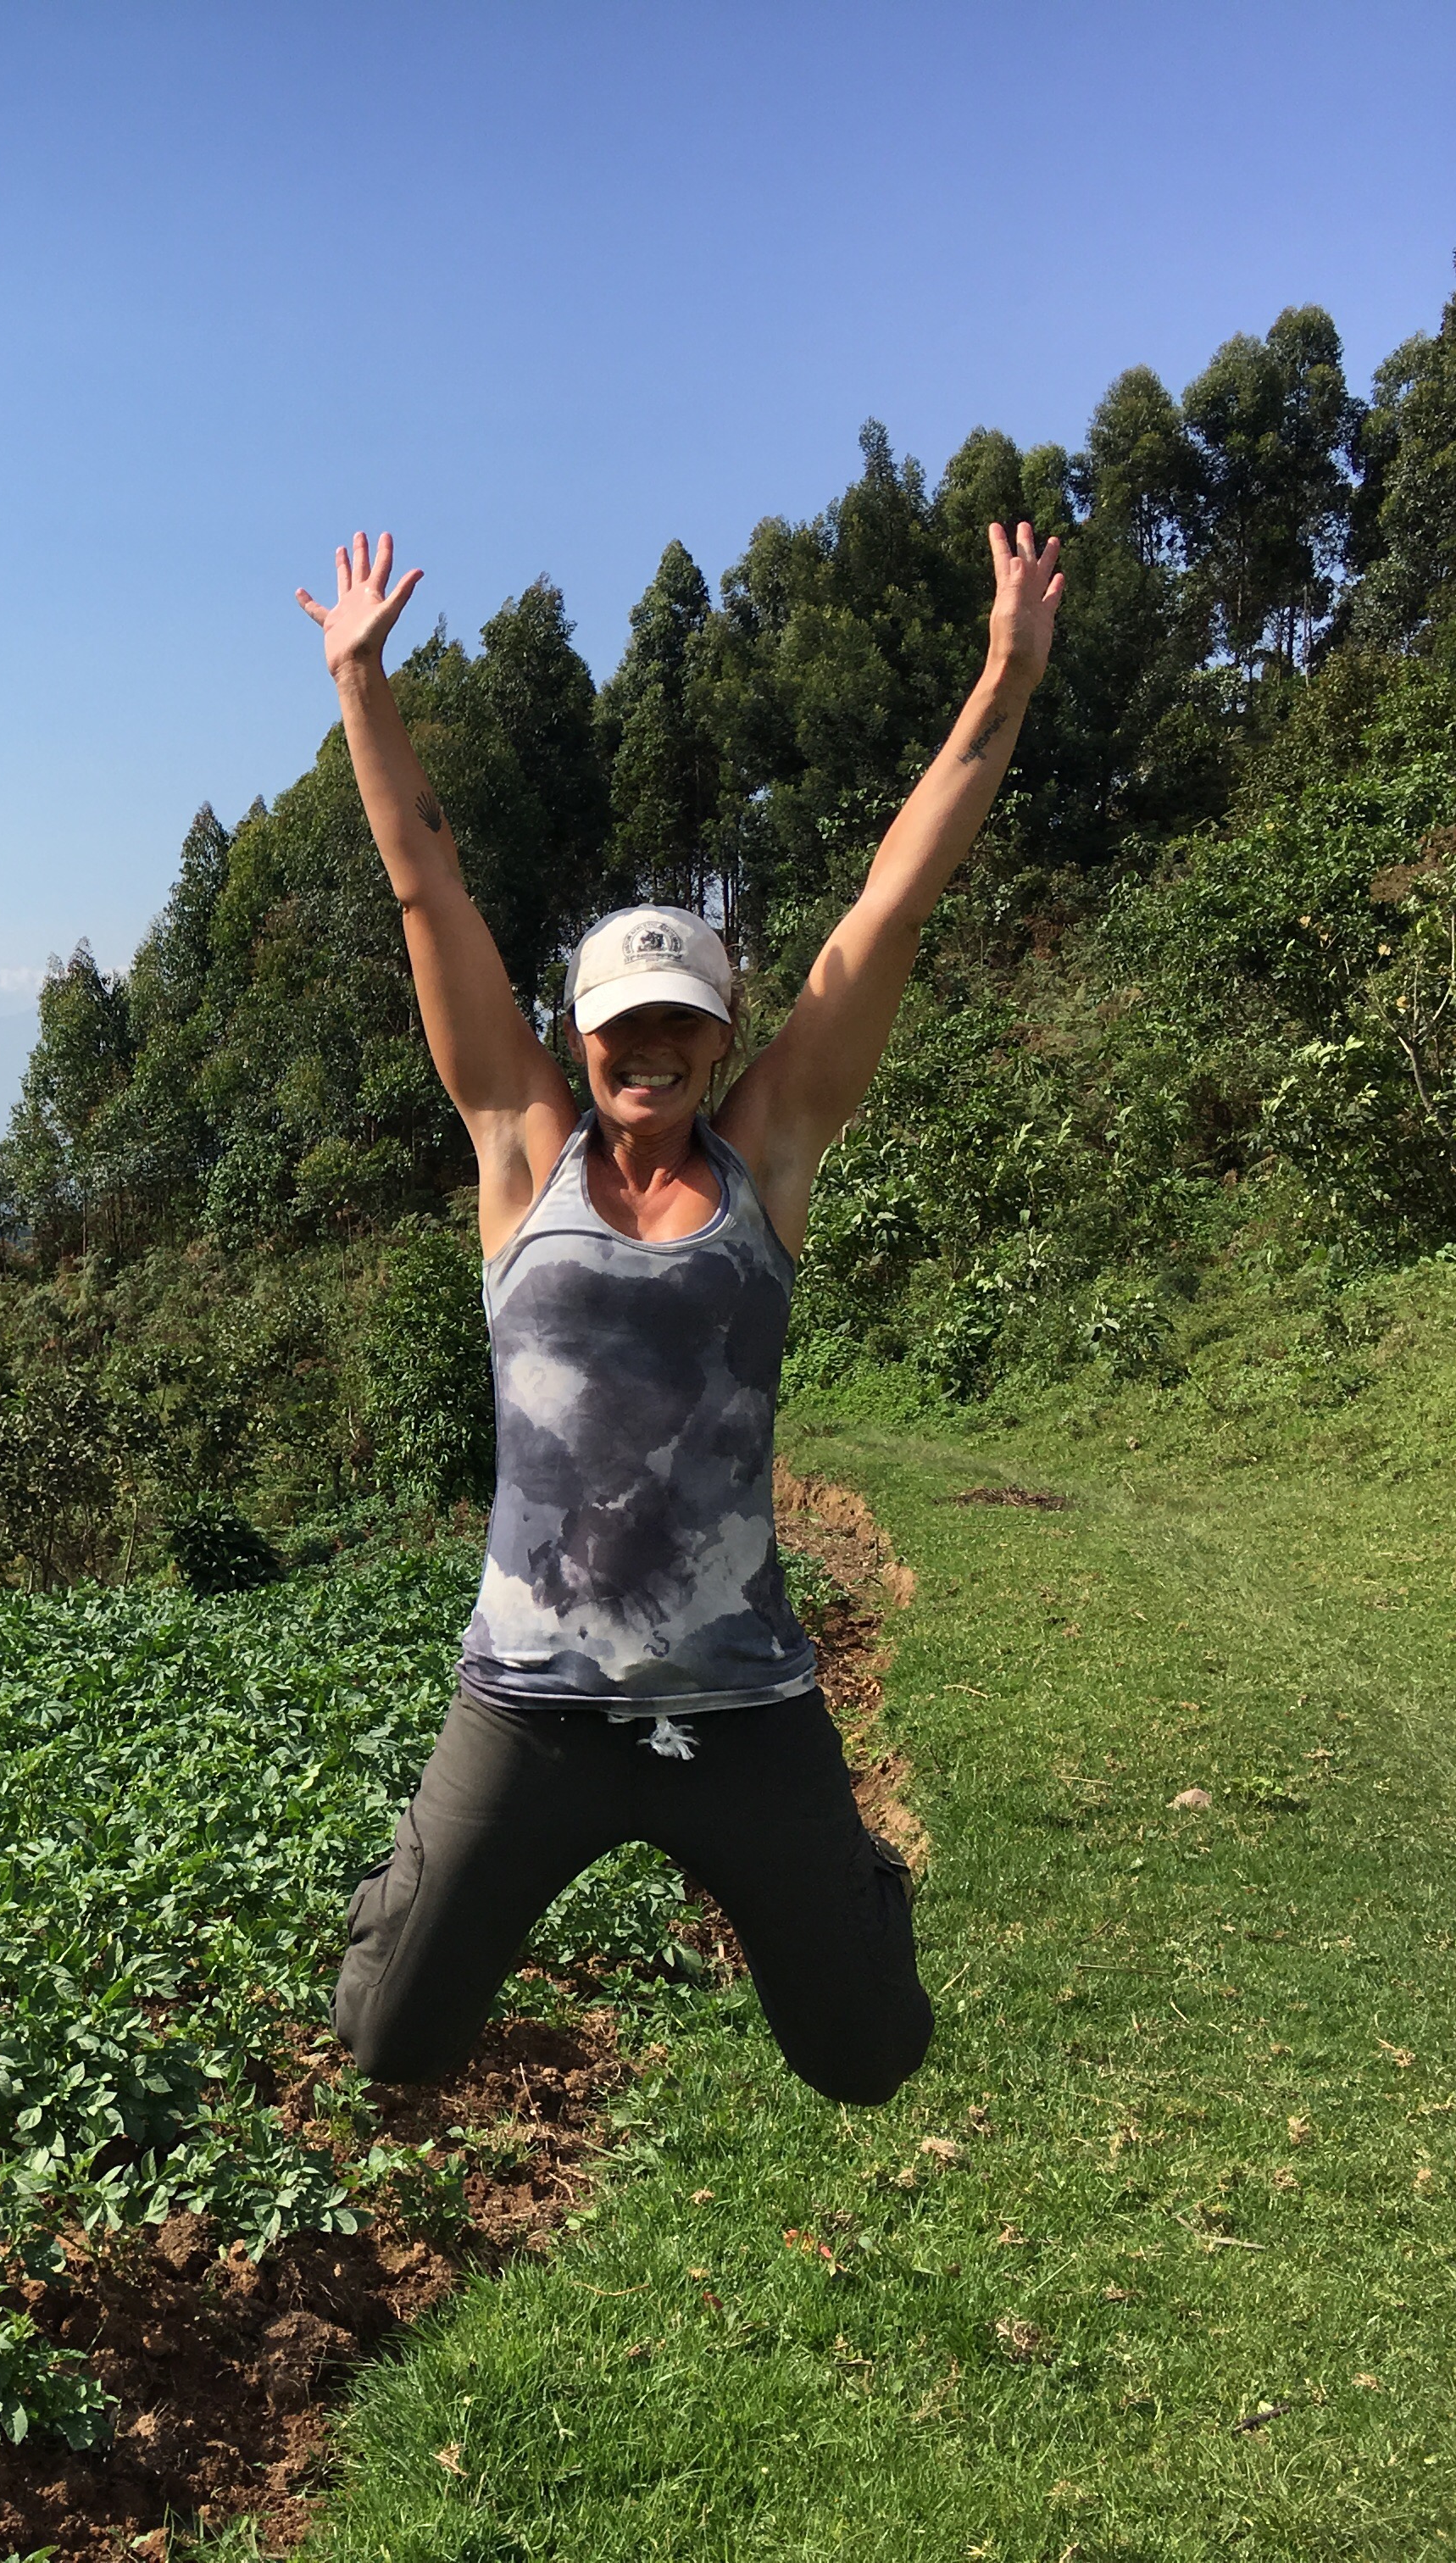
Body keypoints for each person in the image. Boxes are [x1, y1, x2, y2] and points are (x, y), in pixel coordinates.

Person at [301, 520, 1064, 2105]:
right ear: (577, 1034)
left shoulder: (767, 1157)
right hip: (533, 1704)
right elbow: (427, 890)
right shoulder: (523, 1151)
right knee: (389, 2037)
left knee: (867, 2056)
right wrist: (361, 685)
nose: (648, 1045)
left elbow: (888, 909)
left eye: (682, 1021)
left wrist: (1002, 678)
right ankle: (419, 1888)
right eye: (619, 1023)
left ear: (721, 1038)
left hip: (742, 1700)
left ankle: (855, 1887)